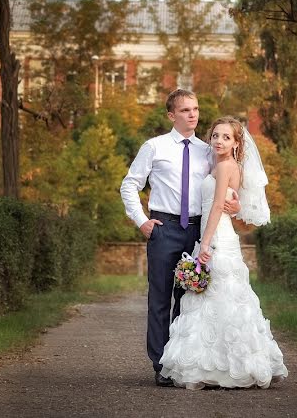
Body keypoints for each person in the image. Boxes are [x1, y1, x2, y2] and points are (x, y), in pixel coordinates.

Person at [120, 89, 241, 387]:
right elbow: (129, 185)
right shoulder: (154, 147)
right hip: (164, 228)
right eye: (185, 110)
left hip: (197, 231)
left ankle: (180, 361)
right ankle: (160, 364)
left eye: (196, 109)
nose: (193, 114)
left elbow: (224, 186)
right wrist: (142, 222)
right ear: (172, 115)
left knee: (188, 300)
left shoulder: (208, 150)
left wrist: (234, 203)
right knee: (160, 298)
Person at [159, 116, 287, 389]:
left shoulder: (228, 166)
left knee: (223, 298)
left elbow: (218, 206)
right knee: (213, 299)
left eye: (226, 137)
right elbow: (228, 203)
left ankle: (230, 367)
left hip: (216, 236)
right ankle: (214, 364)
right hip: (215, 232)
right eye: (215, 135)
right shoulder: (220, 165)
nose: (219, 140)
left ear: (237, 143)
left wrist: (204, 245)